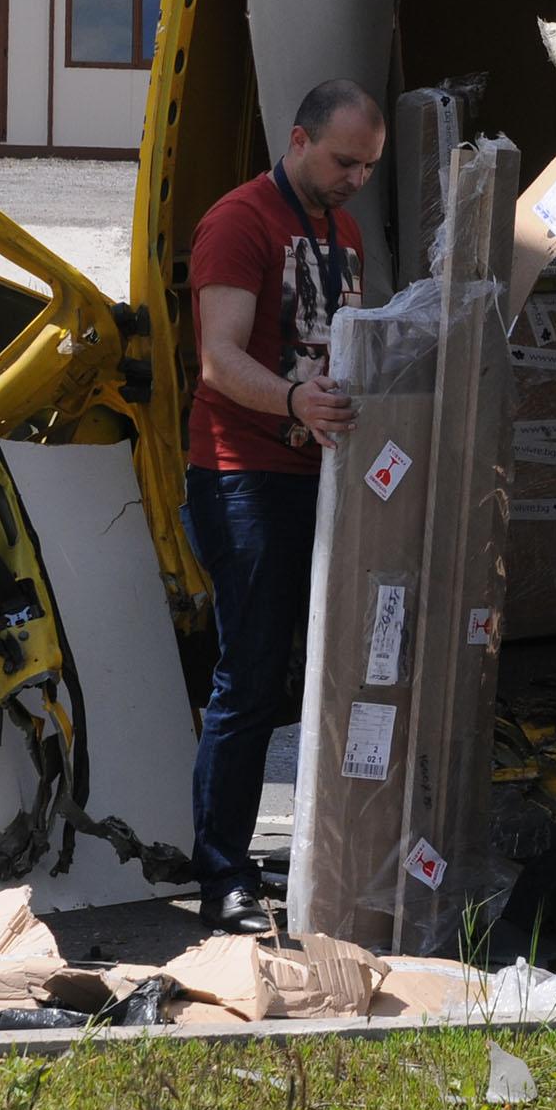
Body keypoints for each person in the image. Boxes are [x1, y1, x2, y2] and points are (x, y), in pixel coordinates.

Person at [180, 78, 385, 933]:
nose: (356, 180)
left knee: (319, 676)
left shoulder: (340, 230)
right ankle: (222, 876)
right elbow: (219, 362)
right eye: (344, 161)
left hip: (316, 475)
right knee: (251, 678)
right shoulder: (239, 220)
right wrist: (298, 403)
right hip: (242, 476)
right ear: (298, 140)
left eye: (369, 166)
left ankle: (302, 864)